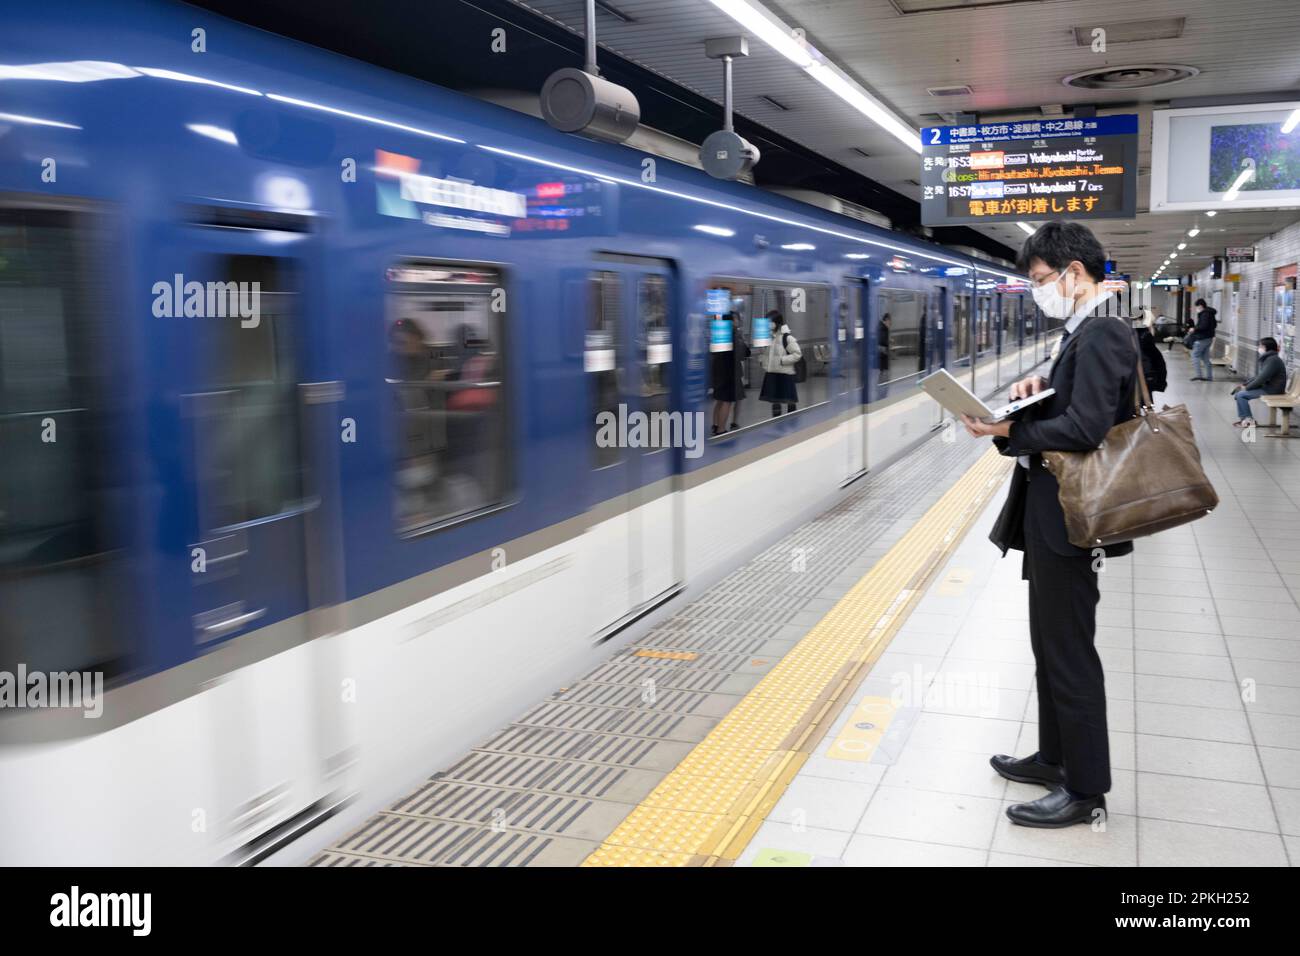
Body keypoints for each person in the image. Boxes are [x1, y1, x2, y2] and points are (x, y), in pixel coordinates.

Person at [961, 221, 1139, 829]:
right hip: (1051, 510)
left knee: (1069, 652)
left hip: (1072, 516)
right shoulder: (1080, 334)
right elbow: (1072, 409)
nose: (1038, 290)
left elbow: (1087, 429)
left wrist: (1011, 429)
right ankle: (1054, 756)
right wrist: (1031, 396)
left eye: (1041, 280)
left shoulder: (1105, 332)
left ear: (1075, 273)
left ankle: (1086, 789)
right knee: (1048, 644)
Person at [1231, 337, 1288, 427]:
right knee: (1240, 394)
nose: (1259, 348)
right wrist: (1245, 384)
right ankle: (1245, 419)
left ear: (1267, 348)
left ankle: (1248, 420)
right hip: (1268, 387)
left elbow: (1261, 378)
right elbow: (1259, 376)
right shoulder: (1270, 358)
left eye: (1261, 346)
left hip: (1272, 390)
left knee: (1241, 395)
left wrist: (1247, 387)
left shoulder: (1273, 360)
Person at [710, 312, 748, 435]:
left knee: (720, 400)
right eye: (735, 320)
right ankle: (721, 429)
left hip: (718, 372)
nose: (737, 322)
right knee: (727, 401)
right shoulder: (733, 336)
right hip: (730, 373)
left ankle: (715, 426)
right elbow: (744, 353)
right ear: (731, 322)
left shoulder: (719, 334)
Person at [761, 309, 800, 416]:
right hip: (772, 374)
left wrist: (782, 360)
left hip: (785, 375)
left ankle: (792, 423)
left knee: (789, 402)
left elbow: (797, 354)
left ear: (776, 322)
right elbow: (765, 354)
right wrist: (763, 362)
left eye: (769, 322)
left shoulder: (787, 338)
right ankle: (776, 421)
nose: (768, 325)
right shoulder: (769, 338)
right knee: (775, 402)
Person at [1134, 309, 1167, 395]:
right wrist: (1160, 382)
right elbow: (1159, 362)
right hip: (1144, 378)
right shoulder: (1145, 337)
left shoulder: (1127, 334)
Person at [1188, 297, 1218, 381]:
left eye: (1197, 307)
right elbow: (1214, 325)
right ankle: (1209, 377)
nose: (1196, 309)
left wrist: (1194, 329)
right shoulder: (1211, 313)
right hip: (1209, 338)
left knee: (1195, 355)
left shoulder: (1204, 314)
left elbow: (1203, 326)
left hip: (1202, 338)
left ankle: (1199, 375)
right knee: (1205, 358)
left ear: (1201, 306)